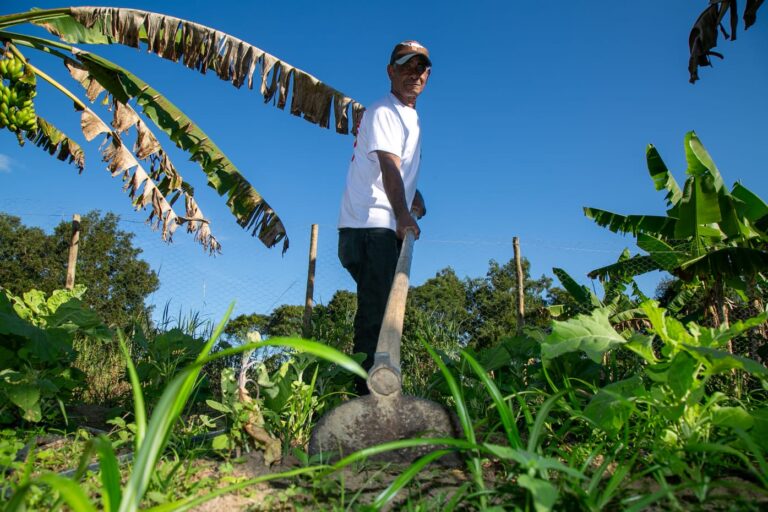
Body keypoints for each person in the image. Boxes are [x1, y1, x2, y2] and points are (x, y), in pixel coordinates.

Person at [337, 40, 431, 394]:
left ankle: (371, 394)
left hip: (375, 227)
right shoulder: (385, 111)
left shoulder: (409, 117)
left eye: (420, 67)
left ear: (428, 75)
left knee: (382, 316)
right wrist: (404, 213)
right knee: (377, 319)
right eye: (406, 66)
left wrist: (414, 197)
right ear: (390, 70)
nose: (413, 73)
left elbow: (396, 171)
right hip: (370, 228)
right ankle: (363, 402)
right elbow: (390, 167)